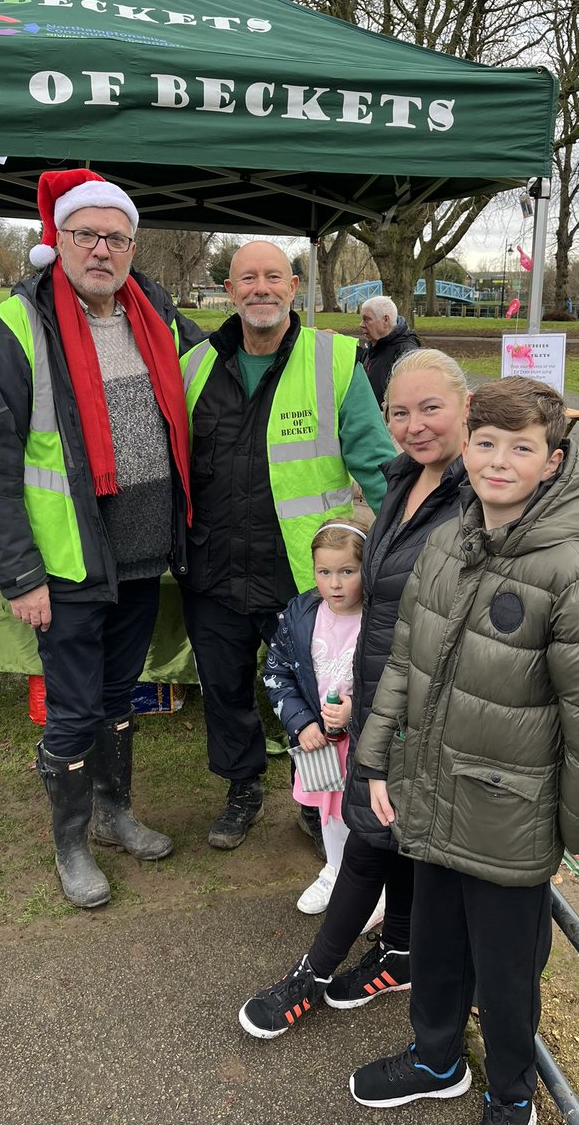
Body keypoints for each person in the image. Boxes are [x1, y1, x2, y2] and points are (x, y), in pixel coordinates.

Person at [350, 377, 579, 1123]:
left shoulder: (575, 576)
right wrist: (377, 758)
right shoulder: (448, 540)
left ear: (552, 461)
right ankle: (435, 1058)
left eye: (521, 447)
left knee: (508, 975)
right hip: (434, 795)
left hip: (510, 819)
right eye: (485, 443)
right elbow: (406, 663)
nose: (499, 461)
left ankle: (512, 1095)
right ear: (467, 449)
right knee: (438, 947)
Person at [0, 169, 204, 910]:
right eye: (86, 234)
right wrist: (20, 575)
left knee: (117, 693)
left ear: (133, 246)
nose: (102, 249)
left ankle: (113, 813)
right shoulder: (14, 327)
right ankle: (71, 845)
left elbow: (215, 378)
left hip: (140, 556)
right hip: (67, 563)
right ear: (58, 240)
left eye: (117, 237)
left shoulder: (153, 311)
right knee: (72, 708)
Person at [238, 349, 471, 1040]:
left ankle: (309, 975)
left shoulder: (473, 495)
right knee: (386, 837)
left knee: (369, 839)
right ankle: (398, 951)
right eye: (399, 411)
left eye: (431, 408)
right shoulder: (404, 481)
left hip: (421, 715)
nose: (413, 424)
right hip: (381, 703)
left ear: (465, 407)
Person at [179, 241, 396, 850]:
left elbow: (379, 466)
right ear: (229, 290)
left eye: (273, 277)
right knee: (223, 687)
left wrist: (410, 540)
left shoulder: (333, 361)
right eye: (247, 279)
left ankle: (319, 790)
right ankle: (241, 785)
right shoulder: (193, 366)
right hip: (214, 567)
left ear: (294, 286)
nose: (260, 289)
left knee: (314, 689)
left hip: (303, 575)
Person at [263, 518, 369, 914]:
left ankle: (372, 884)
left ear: (367, 568)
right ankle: (335, 868)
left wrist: (355, 711)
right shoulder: (300, 614)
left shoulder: (379, 619)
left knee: (367, 814)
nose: (335, 584)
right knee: (329, 810)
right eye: (324, 572)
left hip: (366, 743)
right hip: (320, 744)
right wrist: (301, 722)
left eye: (347, 571)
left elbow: (400, 679)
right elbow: (277, 672)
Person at [358, 295, 421, 407]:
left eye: (367, 319)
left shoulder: (406, 354)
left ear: (386, 320)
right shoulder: (372, 347)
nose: (361, 325)